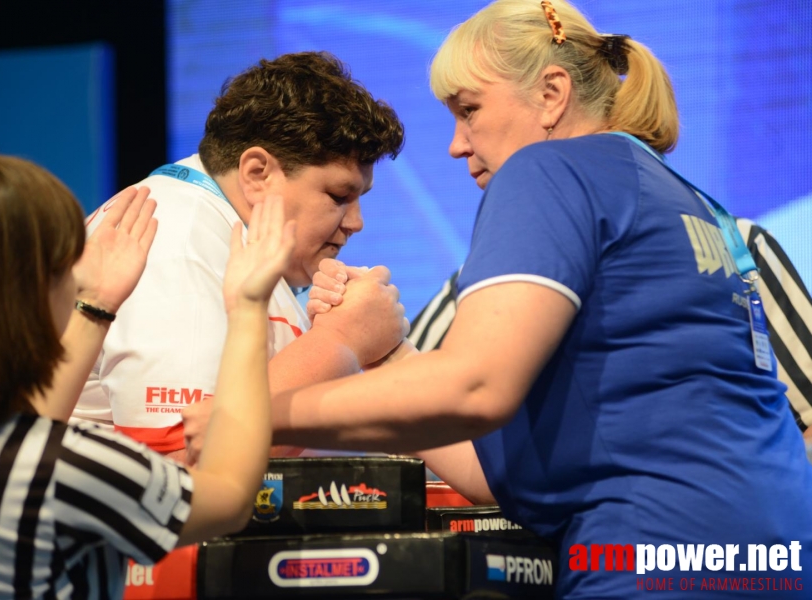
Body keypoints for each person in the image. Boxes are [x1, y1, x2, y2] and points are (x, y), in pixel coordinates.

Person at [273, 1, 812, 597]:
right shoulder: (687, 197)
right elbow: (490, 471)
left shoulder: (549, 170)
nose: (456, 144)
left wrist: (255, 415)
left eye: (469, 111)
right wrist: (389, 353)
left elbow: (476, 387)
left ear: (552, 94)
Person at [0, 155, 296, 598]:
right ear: (31, 295)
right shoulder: (67, 469)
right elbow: (228, 497)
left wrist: (96, 306)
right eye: (67, 267)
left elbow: (26, 429)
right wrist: (248, 306)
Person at [72, 51, 408, 464]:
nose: (355, 222)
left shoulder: (214, 227)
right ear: (257, 174)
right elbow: (182, 466)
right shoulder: (178, 245)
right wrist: (340, 341)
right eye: (339, 196)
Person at [403, 216, 812, 447]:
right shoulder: (485, 279)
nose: (458, 145)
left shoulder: (737, 247)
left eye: (471, 110)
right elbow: (405, 438)